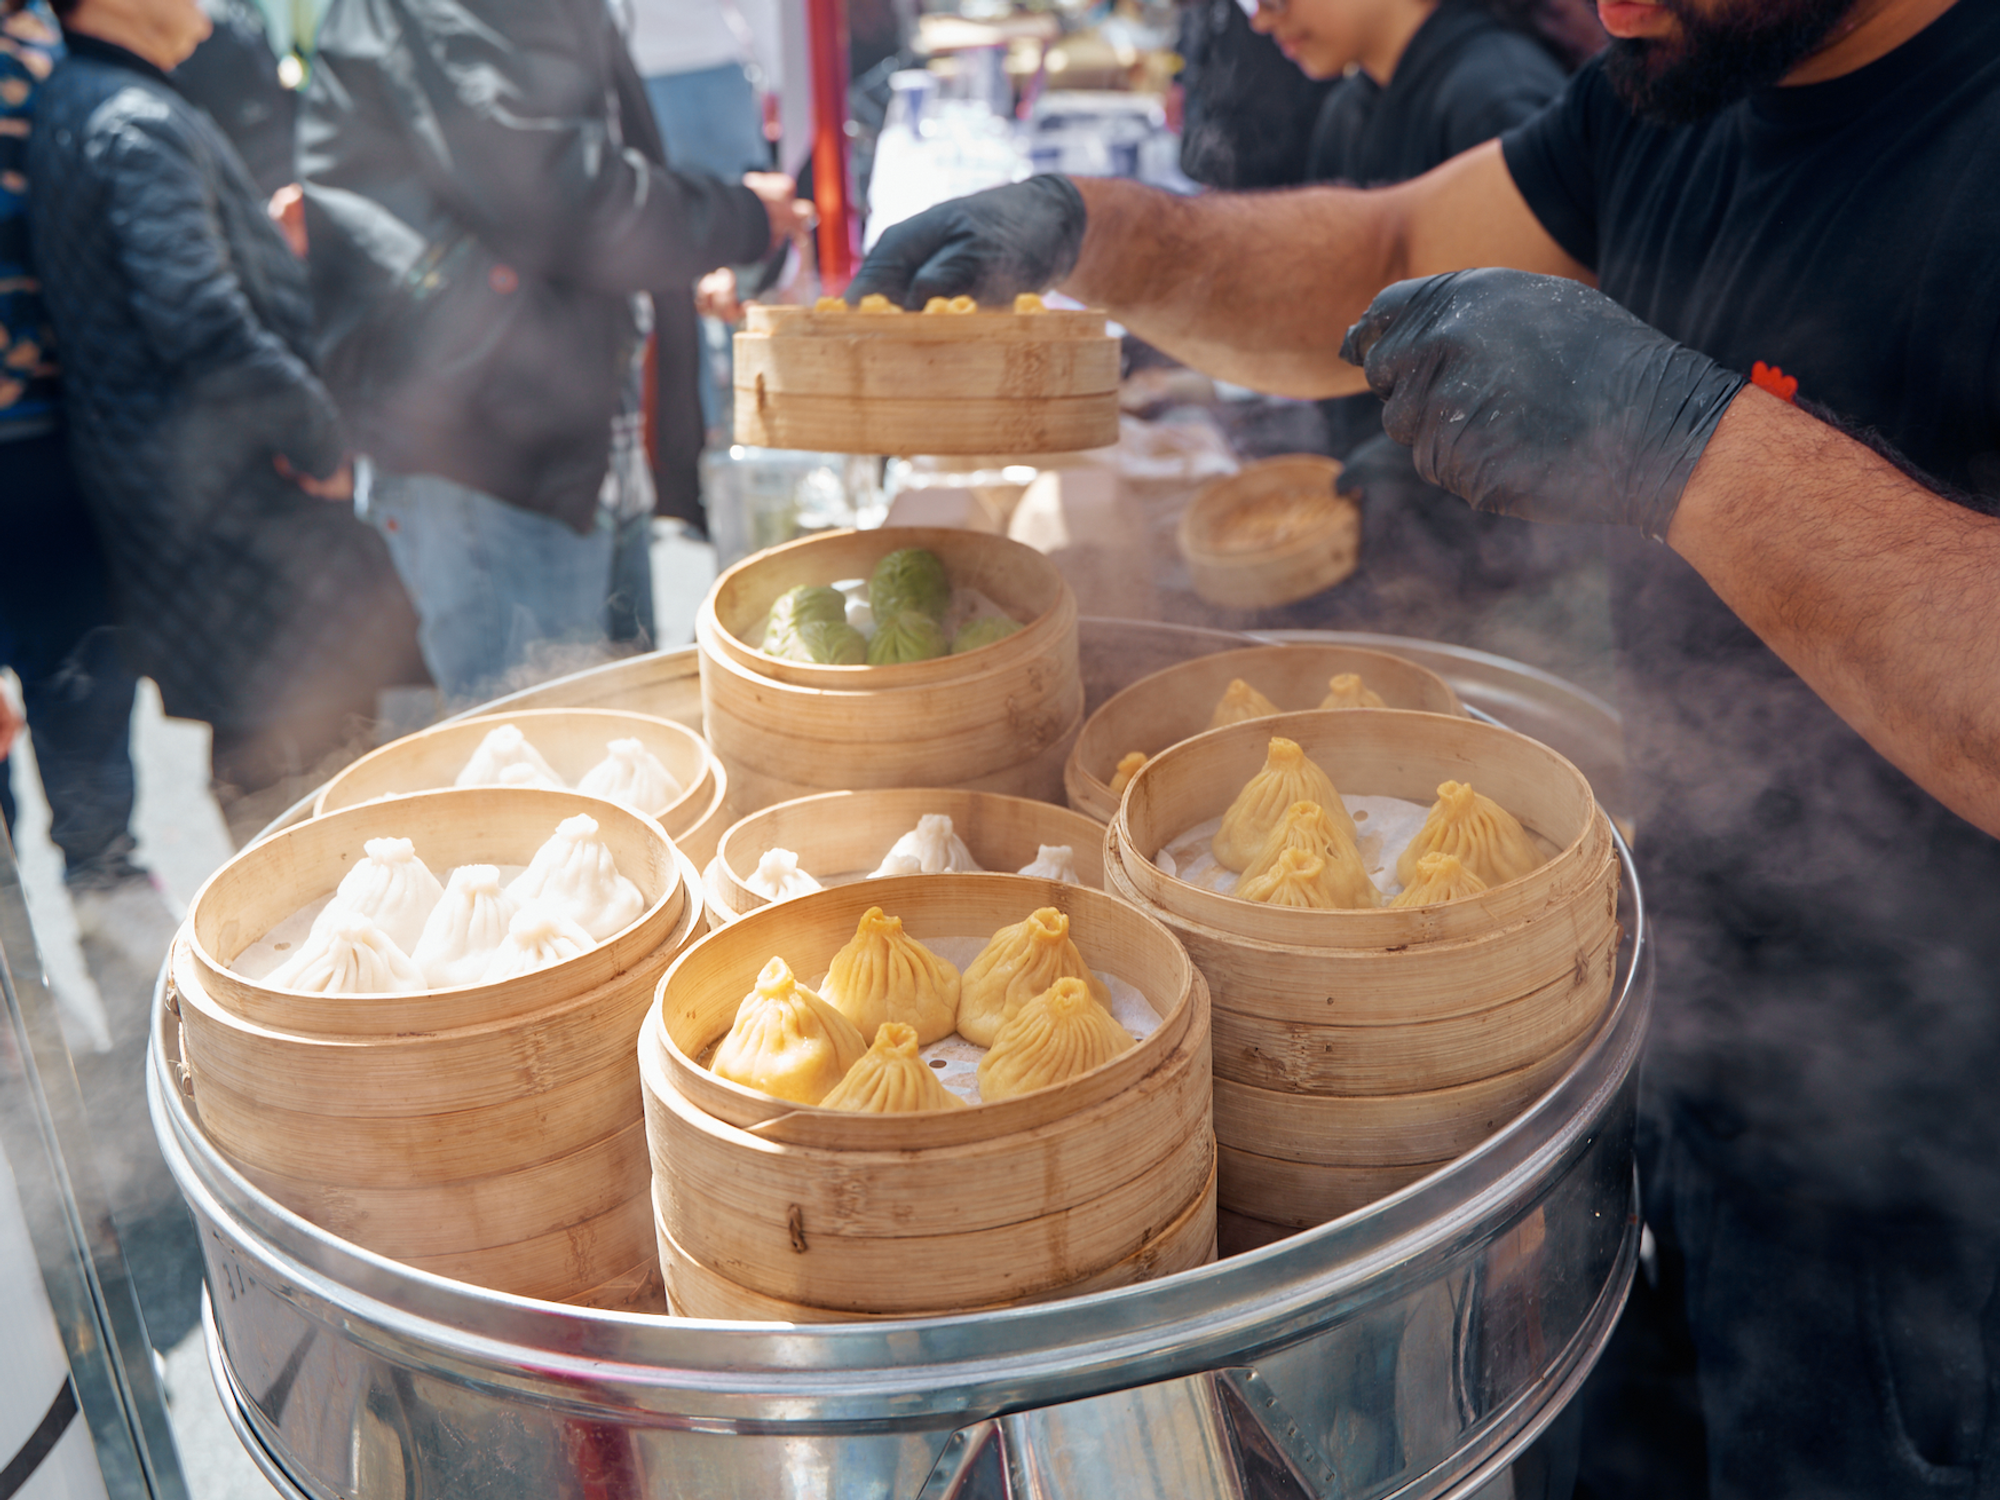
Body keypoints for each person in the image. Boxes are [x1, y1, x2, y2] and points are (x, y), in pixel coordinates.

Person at [847, 0, 2000, 1495]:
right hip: (1672, 1051)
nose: (1611, 11)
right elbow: (1387, 255)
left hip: (1937, 1206)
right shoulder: (1679, 86)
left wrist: (1687, 438)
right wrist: (1093, 232)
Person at [299, 0, 807, 707]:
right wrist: (737, 215)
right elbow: (559, 200)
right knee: (543, 747)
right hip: (489, 438)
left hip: (557, 425)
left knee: (616, 739)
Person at [29, 0, 422, 836]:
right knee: (313, 768)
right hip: (236, 501)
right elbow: (200, 322)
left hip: (181, 494)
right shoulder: (134, 120)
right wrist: (318, 439)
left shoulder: (79, 98)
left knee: (265, 749)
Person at [1247, 0, 1605, 648]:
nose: (1261, 19)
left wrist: (1398, 457)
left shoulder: (1494, 96)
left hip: (1504, 563)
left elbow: (1553, 362)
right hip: (1405, 535)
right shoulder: (1349, 106)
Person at [1, 0, 155, 909]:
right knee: (78, 692)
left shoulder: (49, 43)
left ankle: (102, 884)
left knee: (85, 683)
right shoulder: (46, 51)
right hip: (41, 434)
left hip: (56, 440)